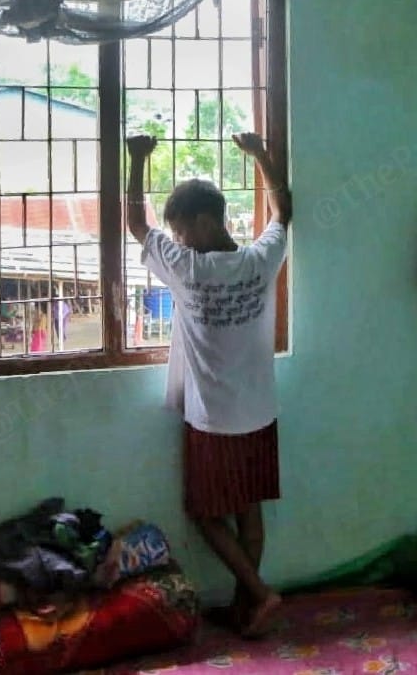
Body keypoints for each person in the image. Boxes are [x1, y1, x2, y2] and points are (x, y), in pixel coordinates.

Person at [125, 131, 292, 638]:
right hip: (260, 411)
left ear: (201, 222)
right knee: (248, 509)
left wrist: (136, 161)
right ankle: (249, 609)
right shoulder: (259, 262)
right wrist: (262, 156)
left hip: (212, 418)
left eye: (179, 231)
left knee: (204, 514)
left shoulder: (188, 270)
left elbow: (136, 224)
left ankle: (260, 595)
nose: (175, 240)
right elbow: (283, 213)